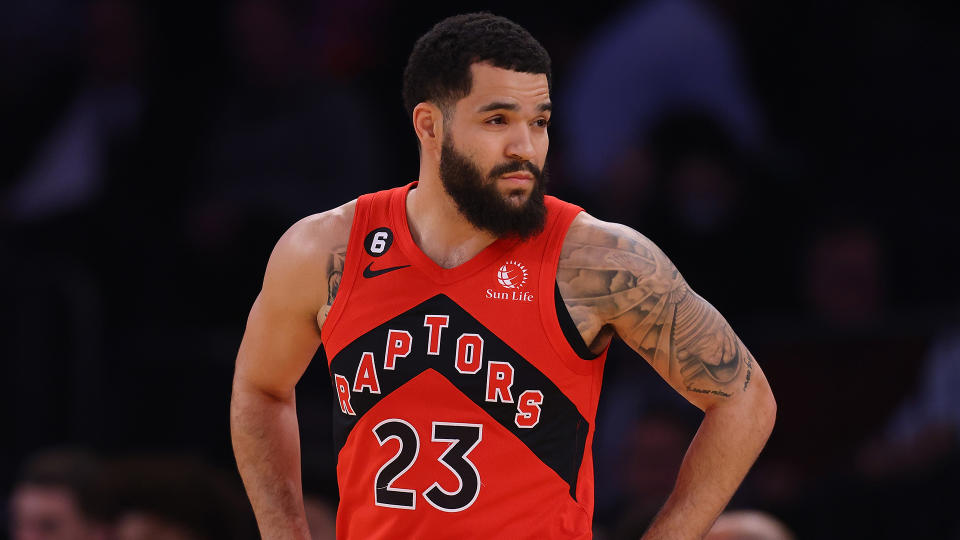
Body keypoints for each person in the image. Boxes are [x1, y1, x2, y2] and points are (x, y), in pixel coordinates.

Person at [230, 12, 776, 539]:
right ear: (430, 125)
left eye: (538, 122)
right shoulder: (325, 248)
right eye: (498, 120)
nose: (526, 147)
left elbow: (745, 401)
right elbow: (260, 389)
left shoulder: (597, 259)